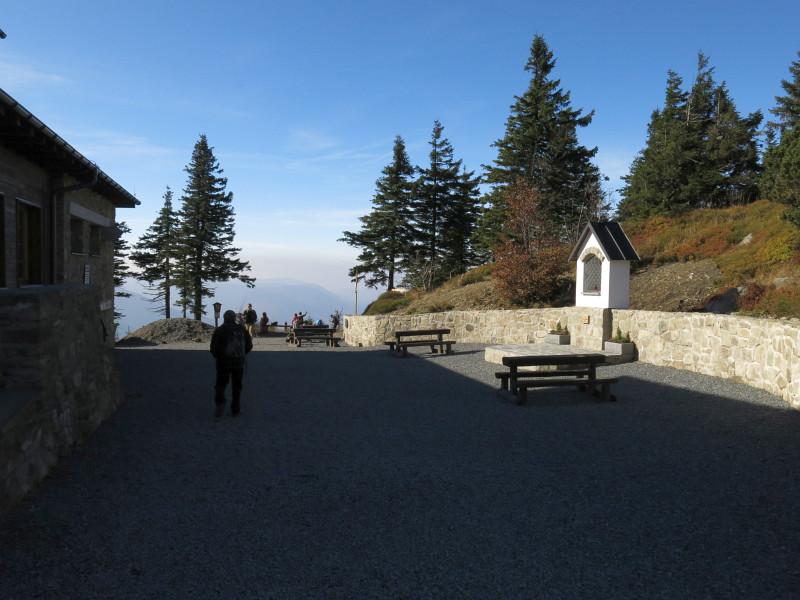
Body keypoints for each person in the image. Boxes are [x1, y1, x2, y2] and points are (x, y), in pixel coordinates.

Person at [210, 310, 253, 418]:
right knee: (237, 386)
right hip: (238, 362)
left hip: (223, 362)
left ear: (224, 318)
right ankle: (235, 407)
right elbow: (249, 345)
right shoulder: (241, 329)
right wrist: (241, 354)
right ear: (234, 318)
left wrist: (219, 357)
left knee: (221, 383)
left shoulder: (220, 330)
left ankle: (220, 403)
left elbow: (213, 347)